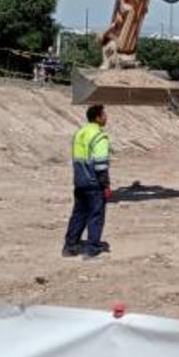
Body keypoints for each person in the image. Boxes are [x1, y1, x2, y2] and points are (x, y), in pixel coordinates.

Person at [63, 104, 112, 258]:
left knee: (78, 214)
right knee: (96, 215)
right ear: (98, 118)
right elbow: (101, 164)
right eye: (104, 115)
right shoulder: (99, 136)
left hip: (79, 180)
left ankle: (69, 247)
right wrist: (106, 185)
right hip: (94, 182)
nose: (106, 117)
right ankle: (92, 249)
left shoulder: (80, 133)